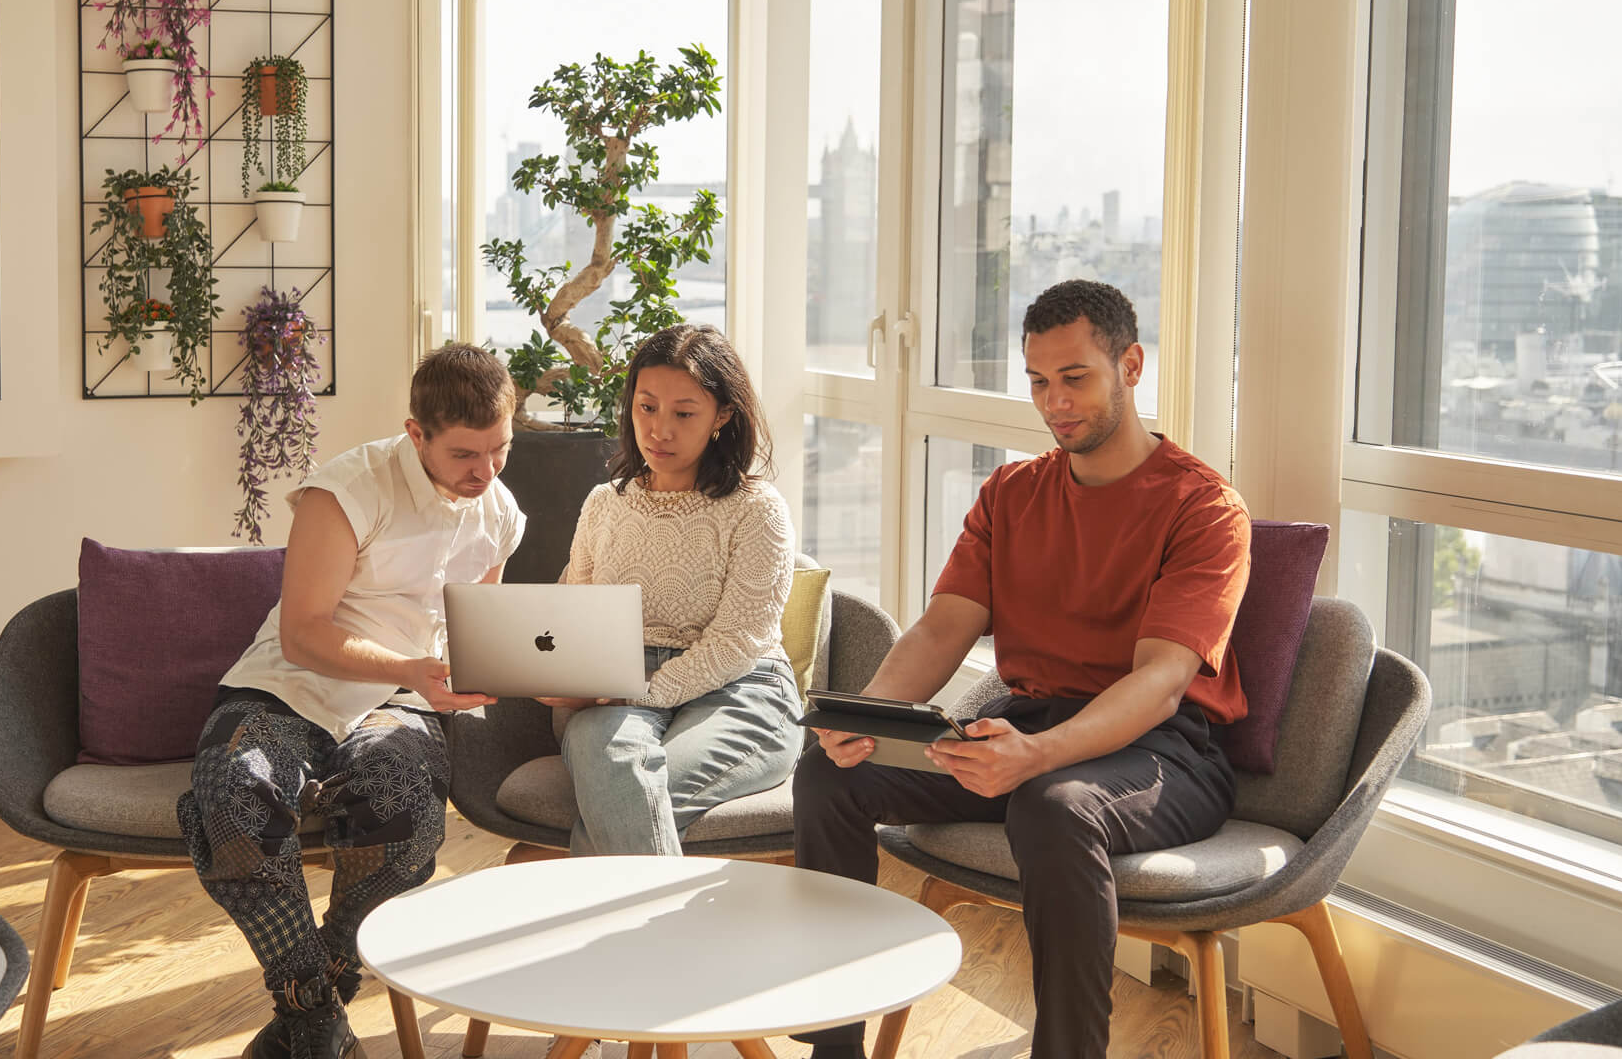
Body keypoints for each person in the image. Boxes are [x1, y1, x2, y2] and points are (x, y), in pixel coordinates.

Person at [793, 279, 1249, 1059]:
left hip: (1164, 747)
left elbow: (1162, 682)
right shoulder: (1011, 492)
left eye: (1076, 378)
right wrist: (860, 718)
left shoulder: (1203, 508)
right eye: (1039, 382)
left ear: (1131, 366)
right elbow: (944, 629)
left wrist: (1036, 756)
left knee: (1053, 804)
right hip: (1030, 722)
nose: (1055, 402)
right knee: (831, 775)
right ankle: (833, 1047)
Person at [177, 344, 524, 1059]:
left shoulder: (499, 512)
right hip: (288, 686)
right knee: (232, 795)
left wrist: (494, 666)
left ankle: (308, 1014)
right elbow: (304, 633)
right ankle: (317, 1018)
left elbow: (472, 629)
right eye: (464, 454)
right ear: (415, 431)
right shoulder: (346, 490)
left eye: (500, 450)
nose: (483, 473)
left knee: (406, 817)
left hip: (402, 702)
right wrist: (415, 666)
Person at [540, 322, 802, 858]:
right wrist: (556, 676)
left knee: (626, 792)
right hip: (612, 688)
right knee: (613, 765)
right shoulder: (603, 504)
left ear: (722, 417)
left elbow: (740, 642)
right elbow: (573, 618)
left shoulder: (758, 510)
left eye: (684, 413)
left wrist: (642, 691)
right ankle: (661, 940)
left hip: (741, 688)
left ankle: (596, 930)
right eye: (646, 407)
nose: (659, 430)